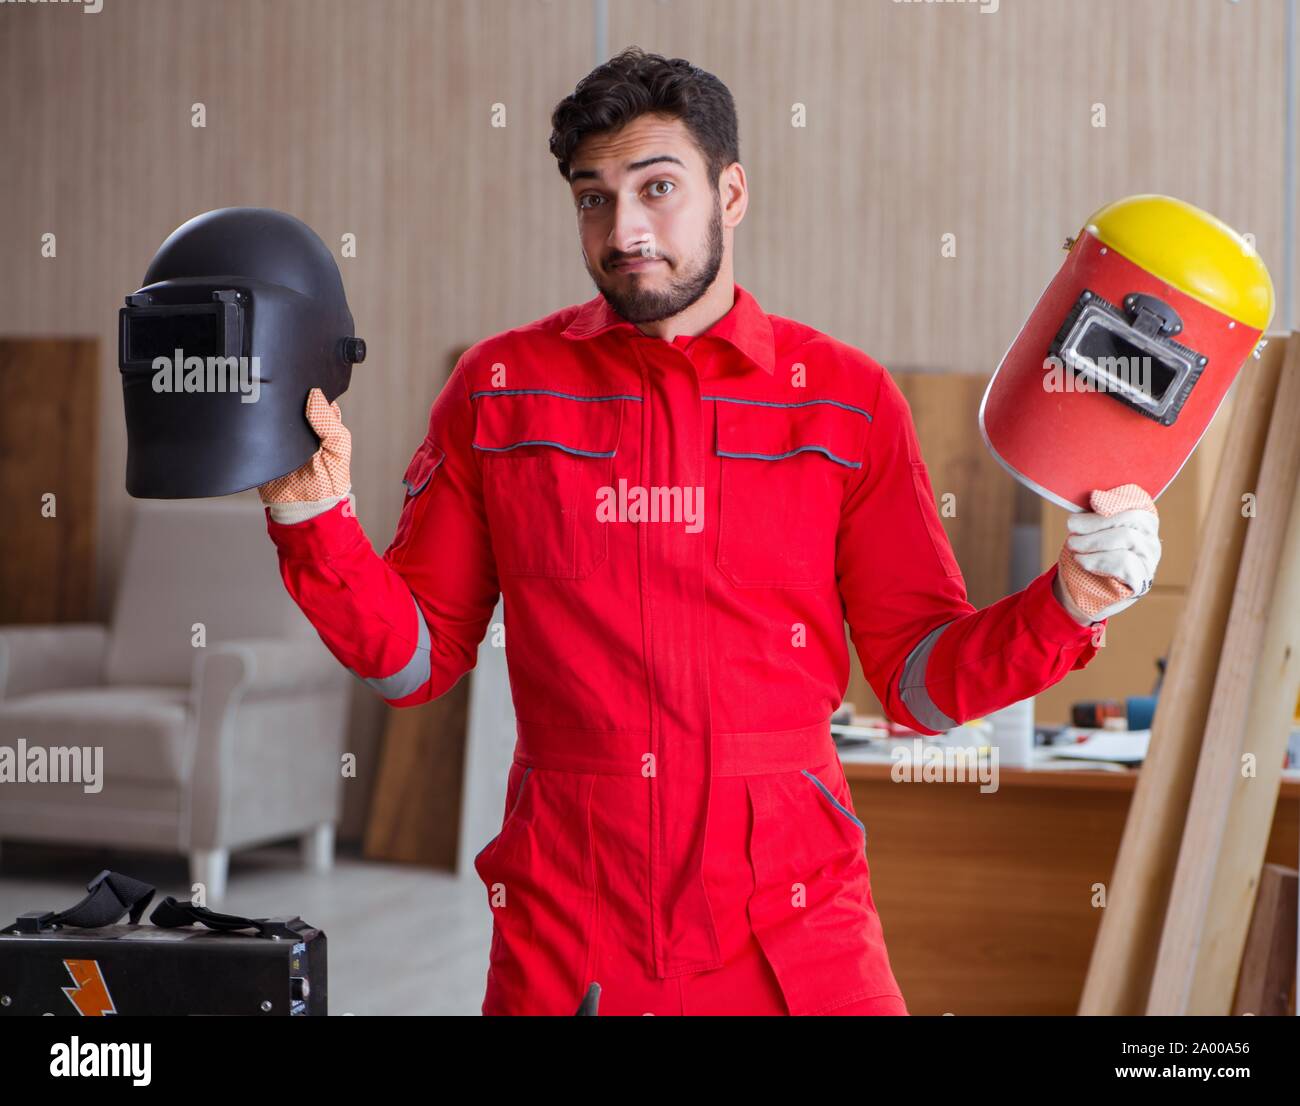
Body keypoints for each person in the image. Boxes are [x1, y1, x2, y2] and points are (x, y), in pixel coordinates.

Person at [257, 47, 1161, 1016]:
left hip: (793, 920)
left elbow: (918, 685)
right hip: (573, 914)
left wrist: (1069, 602)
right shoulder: (500, 389)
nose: (625, 229)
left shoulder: (844, 401)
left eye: (657, 188)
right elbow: (417, 660)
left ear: (731, 192)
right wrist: (315, 516)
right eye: (592, 198)